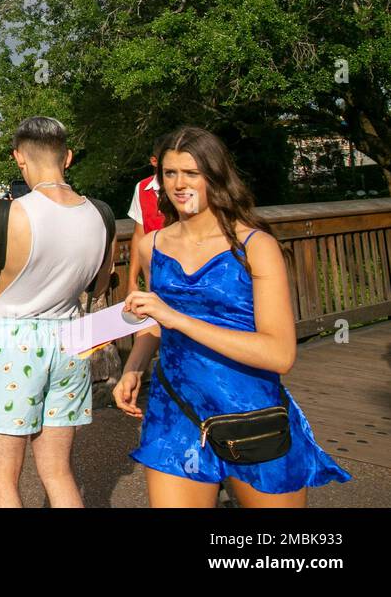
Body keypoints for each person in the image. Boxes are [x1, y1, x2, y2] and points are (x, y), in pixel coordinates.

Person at [115, 127, 350, 507]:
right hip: (176, 411)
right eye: (170, 173)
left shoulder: (255, 246)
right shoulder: (150, 246)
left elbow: (279, 355)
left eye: (191, 173)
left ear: (216, 176)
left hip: (250, 411)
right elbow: (155, 321)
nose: (179, 184)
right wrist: (135, 366)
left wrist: (176, 318)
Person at [0, 117, 115, 507]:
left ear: (18, 158)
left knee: (3, 476)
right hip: (70, 339)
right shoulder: (101, 215)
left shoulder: (9, 214)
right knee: (59, 471)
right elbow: (100, 283)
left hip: (13, 341)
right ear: (68, 158)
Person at [126, 137, 169, 296]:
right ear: (154, 161)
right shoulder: (142, 188)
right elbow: (139, 235)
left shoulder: (187, 191)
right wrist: (132, 281)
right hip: (154, 276)